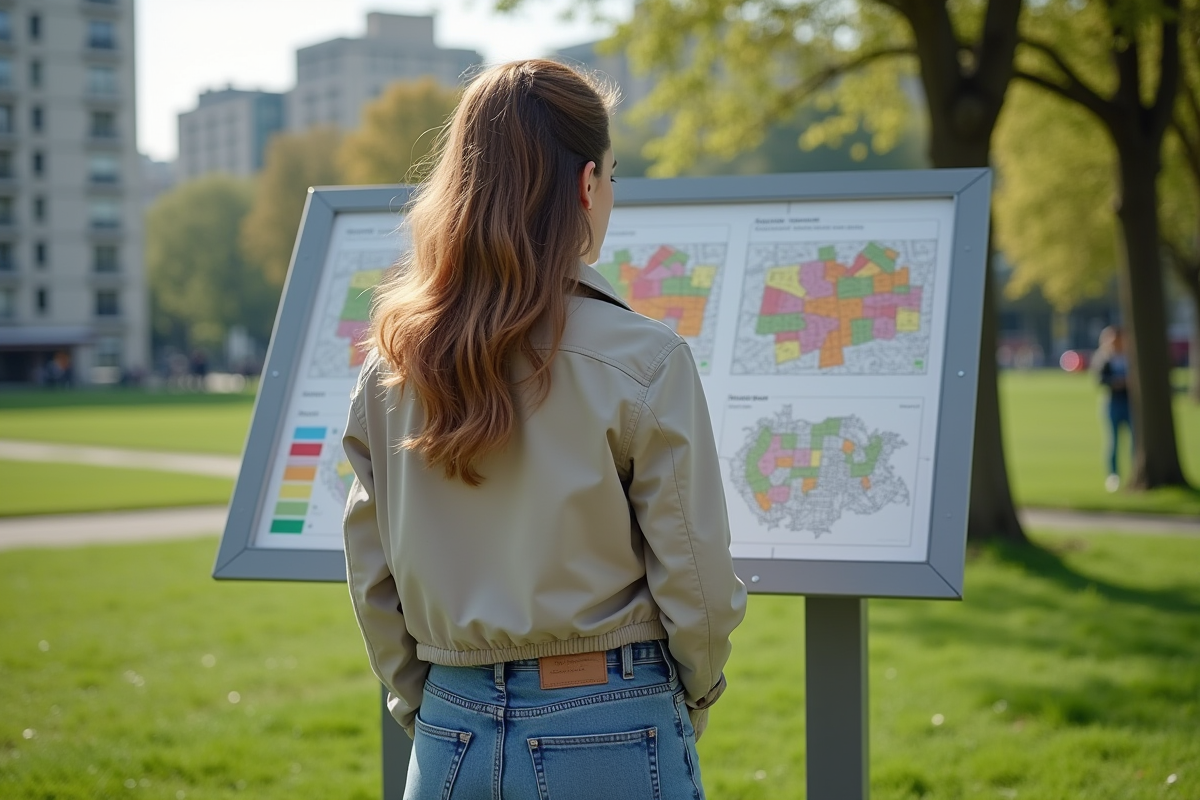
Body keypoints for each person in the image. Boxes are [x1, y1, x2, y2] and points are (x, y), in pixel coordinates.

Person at [341, 59, 747, 800]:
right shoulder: (644, 358)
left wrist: (425, 701)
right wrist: (692, 692)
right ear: (587, 185)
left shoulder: (392, 365)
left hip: (446, 729)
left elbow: (374, 579)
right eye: (614, 176)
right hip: (613, 716)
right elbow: (698, 581)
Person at [1092, 325, 1131, 492]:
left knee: (1135, 441)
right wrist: (1115, 382)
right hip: (1113, 403)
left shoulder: (1131, 357)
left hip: (1130, 403)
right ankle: (1113, 475)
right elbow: (1100, 380)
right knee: (1113, 441)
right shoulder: (1104, 358)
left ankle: (1135, 472)